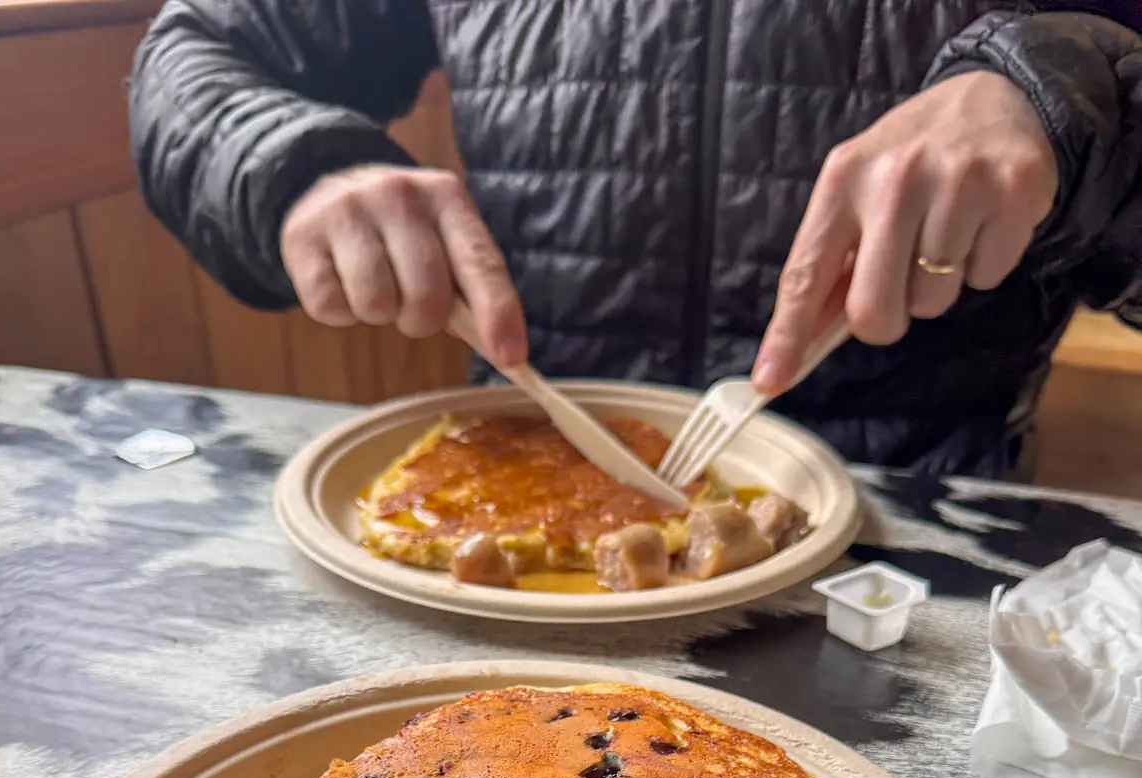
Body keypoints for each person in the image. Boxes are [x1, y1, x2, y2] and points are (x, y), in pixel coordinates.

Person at [129, 3, 1142, 477]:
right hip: (505, 506)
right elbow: (196, 51)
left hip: (908, 539)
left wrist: (1071, 94)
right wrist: (296, 166)